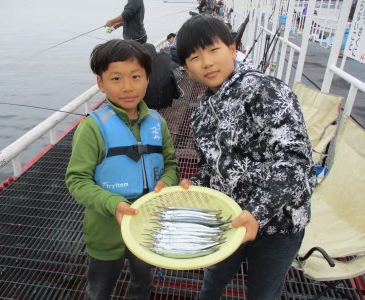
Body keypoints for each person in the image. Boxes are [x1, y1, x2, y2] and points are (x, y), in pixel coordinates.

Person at [176, 15, 317, 299]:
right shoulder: (201, 112)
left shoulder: (263, 89)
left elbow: (295, 158)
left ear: (232, 49)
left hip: (279, 223)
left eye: (214, 50)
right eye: (195, 57)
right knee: (213, 282)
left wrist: (258, 212)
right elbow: (212, 167)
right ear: (187, 69)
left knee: (263, 293)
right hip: (228, 218)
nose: (207, 62)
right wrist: (193, 185)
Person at [66, 39, 179, 300]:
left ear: (147, 79)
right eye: (116, 79)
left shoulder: (157, 123)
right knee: (99, 288)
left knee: (142, 284)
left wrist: (166, 183)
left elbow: (170, 165)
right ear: (101, 83)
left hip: (147, 227)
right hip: (104, 232)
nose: (128, 87)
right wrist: (112, 204)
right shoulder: (92, 128)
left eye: (136, 76)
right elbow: (77, 180)